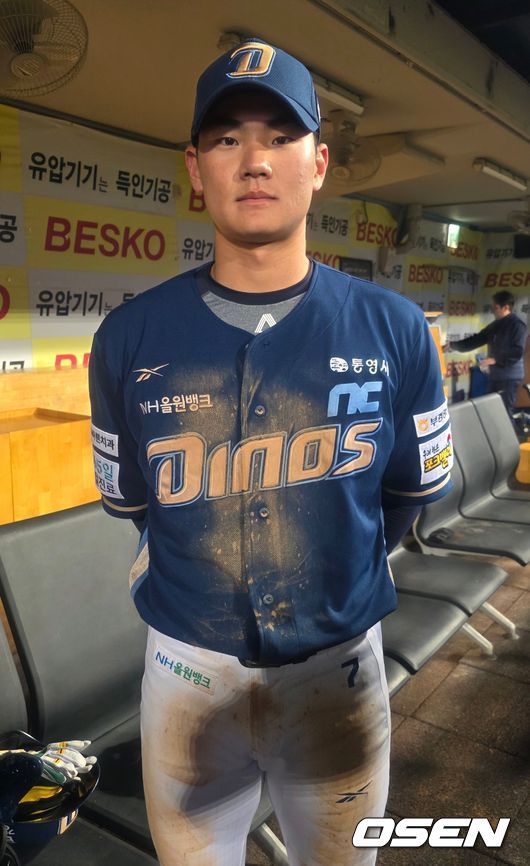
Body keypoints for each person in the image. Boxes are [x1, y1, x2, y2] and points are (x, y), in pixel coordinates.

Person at [89, 39, 453, 866]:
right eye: (226, 138)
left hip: (340, 669)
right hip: (187, 669)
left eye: (280, 136)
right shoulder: (128, 337)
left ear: (318, 164)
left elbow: (407, 495)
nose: (254, 159)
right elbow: (134, 505)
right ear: (195, 168)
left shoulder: (396, 328)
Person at [445, 290, 528, 419]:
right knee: (492, 412)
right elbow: (476, 340)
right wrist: (453, 345)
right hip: (495, 376)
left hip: (509, 378)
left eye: (495, 307)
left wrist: (494, 360)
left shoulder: (517, 326)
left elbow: (517, 352)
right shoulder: (495, 326)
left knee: (504, 413)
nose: (492, 310)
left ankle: (507, 432)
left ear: (505, 307)